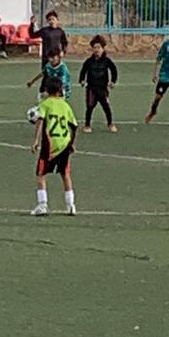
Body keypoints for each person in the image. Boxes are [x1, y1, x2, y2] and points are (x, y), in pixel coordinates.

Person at [30, 78, 78, 216]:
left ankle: (43, 204)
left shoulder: (45, 104)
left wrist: (36, 141)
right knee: (65, 174)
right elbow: (74, 126)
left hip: (51, 144)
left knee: (41, 174)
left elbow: (40, 121)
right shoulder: (65, 105)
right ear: (59, 90)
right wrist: (72, 143)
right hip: (65, 143)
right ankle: (71, 205)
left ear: (47, 90)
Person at [79, 35, 119, 133]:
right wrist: (82, 80)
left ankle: (110, 124)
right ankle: (87, 125)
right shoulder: (89, 61)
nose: (96, 50)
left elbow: (114, 70)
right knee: (89, 107)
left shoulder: (107, 61)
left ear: (103, 48)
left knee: (106, 106)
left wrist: (113, 81)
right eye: (94, 48)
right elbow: (83, 71)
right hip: (91, 88)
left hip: (102, 88)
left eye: (99, 48)